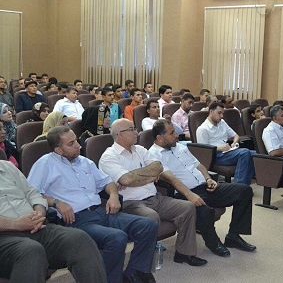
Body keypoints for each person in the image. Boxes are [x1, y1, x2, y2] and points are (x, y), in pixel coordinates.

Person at [27, 126, 158, 283]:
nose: (78, 145)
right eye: (71, 143)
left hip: (102, 211)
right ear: (58, 150)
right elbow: (32, 194)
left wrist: (114, 195)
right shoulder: (45, 164)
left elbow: (107, 182)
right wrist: (55, 202)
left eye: (76, 140)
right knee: (117, 238)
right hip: (76, 220)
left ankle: (134, 273)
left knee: (148, 225)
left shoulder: (84, 161)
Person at [99, 118, 207, 267]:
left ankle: (184, 253)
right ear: (119, 134)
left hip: (156, 198)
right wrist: (147, 176)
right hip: (132, 203)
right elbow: (126, 180)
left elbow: (158, 167)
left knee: (187, 207)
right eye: (132, 129)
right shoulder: (109, 157)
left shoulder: (141, 150)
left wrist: (136, 177)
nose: (136, 132)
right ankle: (143, 265)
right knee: (151, 217)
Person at [149, 119, 256, 257]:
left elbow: (198, 165)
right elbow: (170, 179)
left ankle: (233, 236)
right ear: (160, 137)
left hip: (204, 186)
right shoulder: (153, 155)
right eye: (172, 133)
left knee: (244, 191)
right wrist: (190, 195)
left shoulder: (180, 146)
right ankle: (214, 243)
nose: (176, 135)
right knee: (203, 210)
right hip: (184, 193)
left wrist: (208, 178)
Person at [0, 160, 108, 283]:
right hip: (5, 237)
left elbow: (32, 193)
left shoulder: (7, 166)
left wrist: (39, 212)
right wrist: (16, 224)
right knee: (31, 250)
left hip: (35, 226)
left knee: (79, 238)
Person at [196, 102, 255, 185]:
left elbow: (236, 136)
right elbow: (203, 151)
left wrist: (234, 143)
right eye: (219, 113)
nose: (221, 116)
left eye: (222, 113)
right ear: (211, 112)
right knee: (245, 153)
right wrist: (219, 148)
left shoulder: (222, 122)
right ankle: (238, 187)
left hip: (228, 152)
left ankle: (245, 185)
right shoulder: (203, 129)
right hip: (215, 156)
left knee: (254, 154)